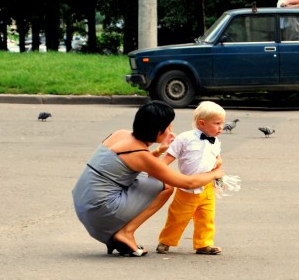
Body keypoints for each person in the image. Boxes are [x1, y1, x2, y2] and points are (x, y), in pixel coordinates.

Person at [72, 101, 224, 257]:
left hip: (83, 200)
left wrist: (159, 150)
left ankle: (120, 234)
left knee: (149, 178)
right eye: (169, 127)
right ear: (158, 131)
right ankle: (126, 232)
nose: (171, 131)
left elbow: (134, 162)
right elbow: (188, 183)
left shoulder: (120, 134)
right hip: (100, 210)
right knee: (166, 186)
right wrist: (215, 174)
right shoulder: (141, 154)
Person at [156, 101, 226, 255]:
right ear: (202, 123)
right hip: (186, 189)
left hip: (207, 187)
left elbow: (217, 162)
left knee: (206, 218)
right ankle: (166, 241)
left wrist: (219, 179)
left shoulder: (216, 142)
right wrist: (157, 172)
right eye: (217, 123)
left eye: (222, 123)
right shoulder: (185, 138)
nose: (221, 127)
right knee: (177, 217)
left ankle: (204, 244)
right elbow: (169, 157)